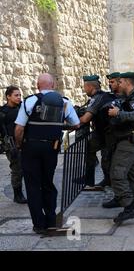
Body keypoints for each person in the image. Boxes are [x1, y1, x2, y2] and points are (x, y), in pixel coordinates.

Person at [14, 73, 80, 234]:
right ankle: (51, 220)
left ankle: (39, 224)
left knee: (32, 185)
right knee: (48, 183)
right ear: (53, 85)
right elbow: (76, 124)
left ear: (38, 85)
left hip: (31, 148)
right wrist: (58, 128)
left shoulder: (29, 101)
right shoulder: (64, 102)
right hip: (52, 148)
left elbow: (19, 129)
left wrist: (19, 145)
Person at [104, 72, 134, 224]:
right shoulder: (125, 99)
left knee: (117, 174)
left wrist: (118, 113)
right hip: (125, 140)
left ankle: (129, 206)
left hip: (129, 141)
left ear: (128, 83)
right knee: (131, 175)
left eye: (120, 82)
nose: (118, 84)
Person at [78, 75, 115, 189]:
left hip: (106, 134)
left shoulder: (96, 98)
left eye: (85, 87)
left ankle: (90, 181)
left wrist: (74, 123)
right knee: (104, 157)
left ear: (90, 86)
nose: (84, 89)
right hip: (106, 133)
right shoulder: (105, 95)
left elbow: (85, 119)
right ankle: (106, 180)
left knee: (102, 155)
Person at [0, 86, 27, 203]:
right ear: (8, 96)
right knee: (17, 169)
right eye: (16, 95)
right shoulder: (2, 112)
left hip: (25, 142)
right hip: (11, 144)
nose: (19, 97)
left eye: (20, 95)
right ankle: (18, 194)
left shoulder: (22, 107)